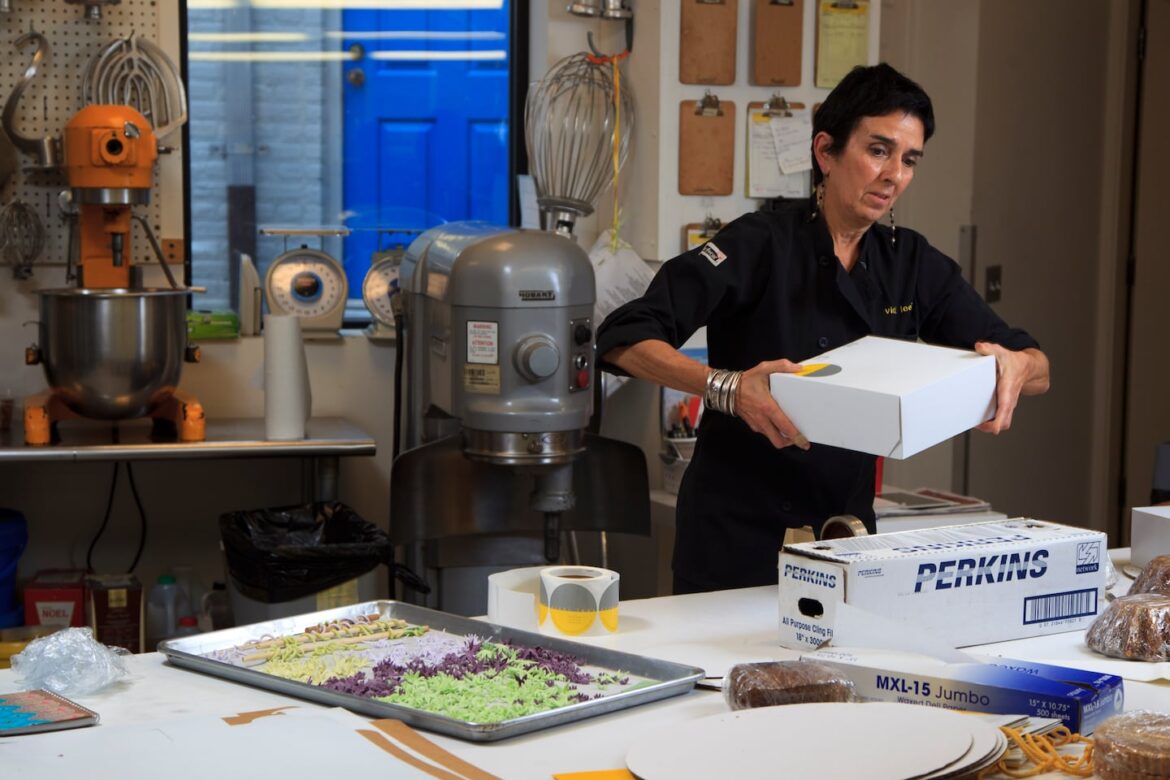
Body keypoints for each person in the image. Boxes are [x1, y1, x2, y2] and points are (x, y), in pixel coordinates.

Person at [595, 64, 1050, 595]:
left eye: (909, 160)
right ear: (825, 152)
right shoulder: (758, 243)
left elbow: (1036, 366)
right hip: (735, 538)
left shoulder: (911, 263)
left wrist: (1016, 366)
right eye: (878, 150)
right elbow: (623, 337)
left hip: (844, 538)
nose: (894, 175)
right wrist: (728, 387)